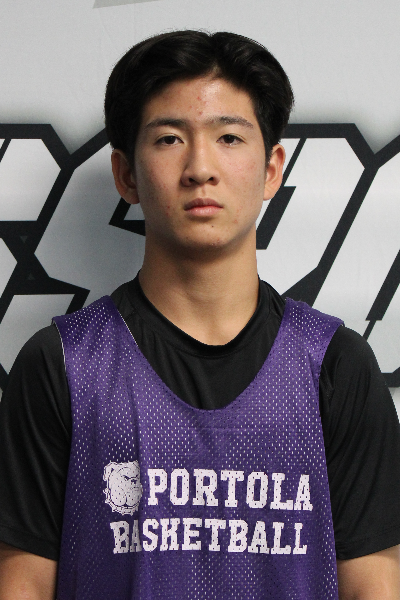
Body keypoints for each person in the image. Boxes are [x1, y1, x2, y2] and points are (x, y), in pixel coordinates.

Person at [0, 30, 399, 600]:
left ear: (272, 168)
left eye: (229, 137)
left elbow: (374, 585)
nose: (200, 168)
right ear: (126, 174)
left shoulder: (335, 365)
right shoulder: (63, 364)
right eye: (169, 139)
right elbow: (22, 584)